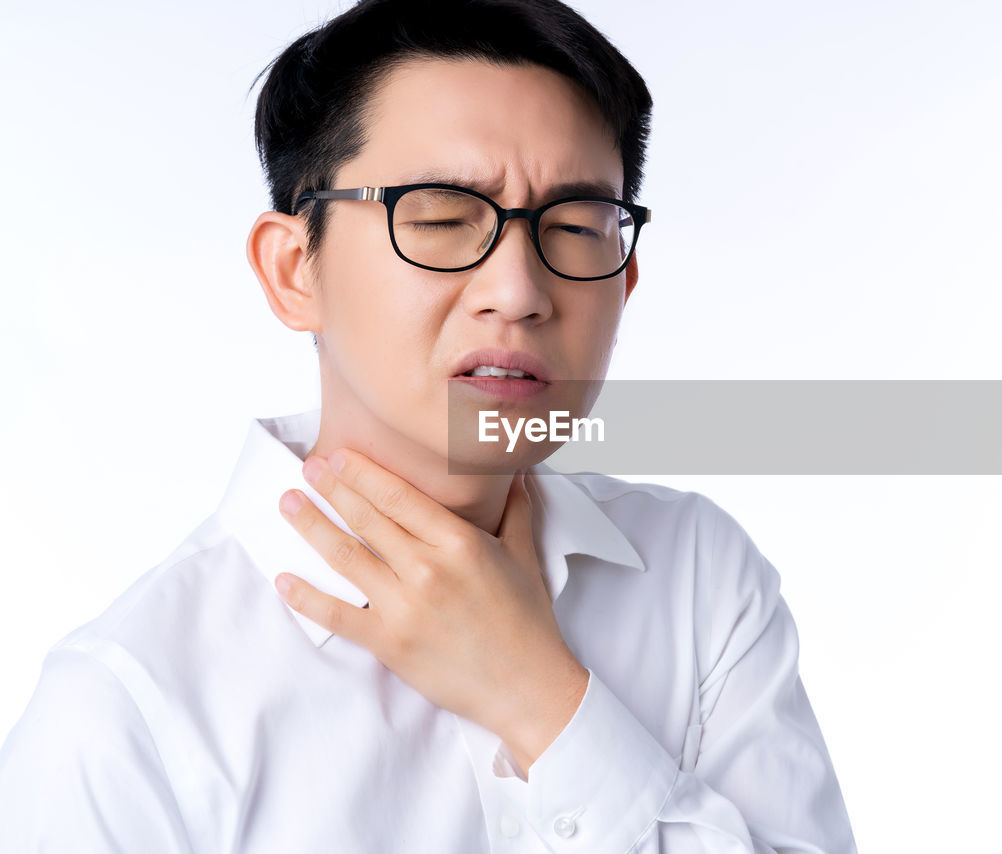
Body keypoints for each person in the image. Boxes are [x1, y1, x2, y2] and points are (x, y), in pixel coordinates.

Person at [0, 0, 857, 850]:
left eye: (574, 227)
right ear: (295, 269)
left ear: (624, 282)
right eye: (444, 219)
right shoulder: (127, 714)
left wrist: (539, 696)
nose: (519, 292)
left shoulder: (699, 579)